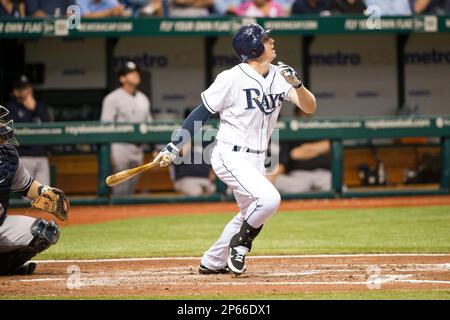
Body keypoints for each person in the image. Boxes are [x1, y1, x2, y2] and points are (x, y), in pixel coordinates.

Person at [154, 23, 316, 275]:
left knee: (249, 213)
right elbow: (201, 113)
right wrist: (174, 146)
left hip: (257, 159)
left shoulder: (279, 75)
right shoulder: (231, 77)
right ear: (253, 47)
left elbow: (309, 107)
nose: (271, 41)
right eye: (265, 38)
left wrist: (298, 86)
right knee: (270, 199)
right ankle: (240, 244)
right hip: (230, 154)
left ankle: (212, 261)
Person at [0, 105, 69, 276]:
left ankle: (4, 268)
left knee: (45, 232)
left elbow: (27, 185)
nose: (2, 125)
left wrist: (46, 192)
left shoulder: (7, 156)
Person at [101, 61, 152, 196]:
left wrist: (154, 147)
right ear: (122, 78)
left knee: (131, 189)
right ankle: (114, 215)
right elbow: (105, 126)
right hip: (120, 147)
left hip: (138, 147)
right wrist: (110, 152)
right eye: (130, 73)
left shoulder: (143, 99)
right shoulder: (112, 98)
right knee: (119, 189)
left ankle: (124, 215)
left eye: (136, 72)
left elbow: (150, 125)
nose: (135, 75)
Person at [5, 75, 51, 186]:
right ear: (16, 92)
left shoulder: (39, 106)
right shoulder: (10, 108)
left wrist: (34, 109)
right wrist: (30, 111)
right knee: (27, 196)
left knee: (45, 195)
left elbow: (48, 127)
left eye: (27, 87)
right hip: (23, 157)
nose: (27, 91)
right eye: (22, 88)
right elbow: (17, 132)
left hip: (41, 156)